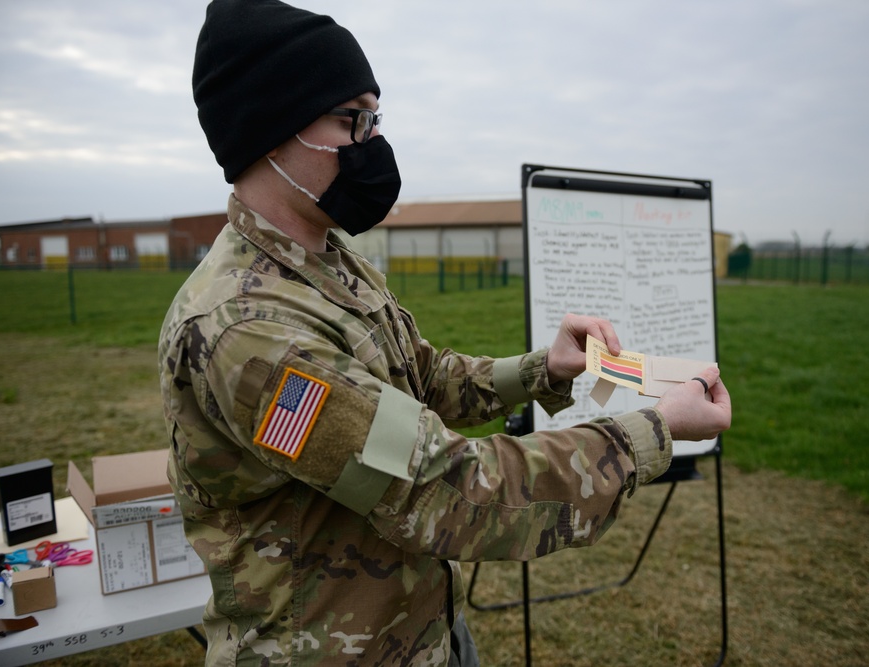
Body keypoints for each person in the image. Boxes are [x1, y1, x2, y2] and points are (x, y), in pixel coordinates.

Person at [158, 1, 732, 665]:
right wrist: (651, 431)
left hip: (415, 630)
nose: (373, 141)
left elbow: (421, 379)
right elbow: (445, 490)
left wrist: (544, 368)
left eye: (376, 118)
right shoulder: (248, 331)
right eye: (352, 119)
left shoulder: (326, 258)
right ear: (269, 130)